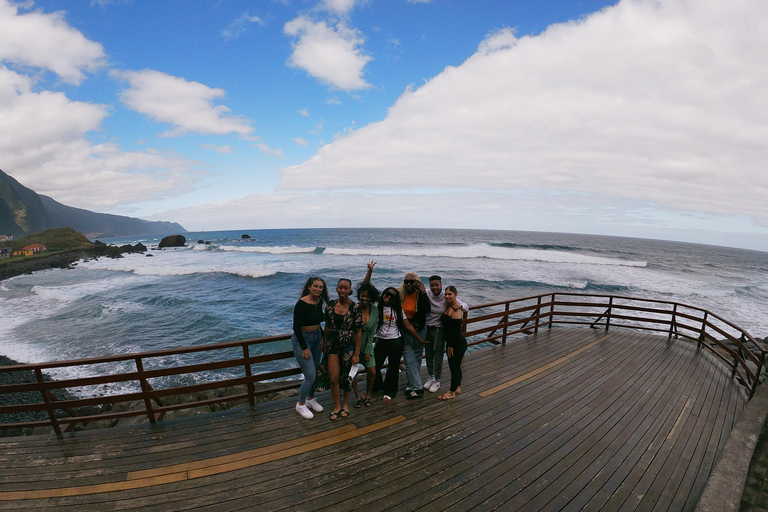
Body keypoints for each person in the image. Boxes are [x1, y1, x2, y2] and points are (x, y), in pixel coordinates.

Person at [315, 278, 362, 421]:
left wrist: (357, 353)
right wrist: (324, 345)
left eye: (346, 288)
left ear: (350, 291)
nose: (343, 290)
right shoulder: (330, 305)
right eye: (340, 288)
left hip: (348, 345)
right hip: (332, 344)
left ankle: (345, 404)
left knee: (346, 378)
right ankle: (337, 405)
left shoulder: (355, 308)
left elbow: (359, 331)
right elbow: (327, 326)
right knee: (334, 378)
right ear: (336, 289)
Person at [371, 286, 425, 401]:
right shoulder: (376, 306)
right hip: (380, 341)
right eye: (387, 294)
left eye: (392, 296)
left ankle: (389, 391)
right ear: (383, 293)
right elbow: (366, 288)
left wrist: (419, 340)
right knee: (375, 366)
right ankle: (377, 386)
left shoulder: (398, 310)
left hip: (395, 342)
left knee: (393, 368)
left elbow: (408, 326)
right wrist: (369, 272)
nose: (388, 297)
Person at [423, 275, 469, 394]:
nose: (434, 287)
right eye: (432, 285)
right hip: (428, 328)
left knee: (438, 356)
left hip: (439, 330)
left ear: (441, 285)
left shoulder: (446, 295)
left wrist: (461, 306)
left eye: (437, 285)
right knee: (428, 355)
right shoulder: (427, 293)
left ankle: (437, 380)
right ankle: (431, 377)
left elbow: (465, 306)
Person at [292, 276, 329, 419]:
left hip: (316, 338)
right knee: (310, 376)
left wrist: (323, 336)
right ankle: (300, 404)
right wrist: (304, 348)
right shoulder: (301, 304)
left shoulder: (319, 302)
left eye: (321, 287)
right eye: (316, 286)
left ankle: (310, 399)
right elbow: (296, 327)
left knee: (316, 371)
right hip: (303, 341)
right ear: (309, 287)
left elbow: (317, 322)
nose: (318, 289)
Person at [397, 272, 431, 399]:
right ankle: (417, 388)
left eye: (412, 281)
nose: (409, 284)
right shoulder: (399, 293)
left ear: (417, 282)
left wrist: (422, 292)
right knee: (408, 356)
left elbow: (427, 309)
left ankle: (411, 384)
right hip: (405, 328)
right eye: (406, 281)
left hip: (419, 327)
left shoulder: (420, 294)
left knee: (416, 356)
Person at [352, 282, 379, 408]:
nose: (364, 298)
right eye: (362, 296)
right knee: (352, 374)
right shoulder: (354, 309)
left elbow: (372, 331)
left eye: (367, 296)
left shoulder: (374, 310)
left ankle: (367, 394)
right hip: (353, 346)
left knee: (372, 372)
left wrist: (367, 350)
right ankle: (357, 396)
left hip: (367, 346)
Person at [438, 286, 467, 400]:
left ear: (456, 294)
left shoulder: (456, 309)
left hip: (456, 343)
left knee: (454, 367)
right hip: (456, 342)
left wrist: (450, 346)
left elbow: (455, 330)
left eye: (450, 294)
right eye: (445, 294)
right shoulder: (450, 306)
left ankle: (451, 392)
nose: (447, 296)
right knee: (456, 366)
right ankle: (457, 387)